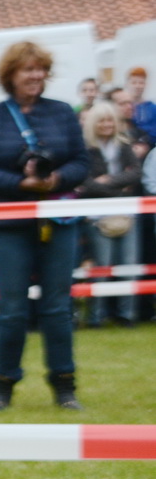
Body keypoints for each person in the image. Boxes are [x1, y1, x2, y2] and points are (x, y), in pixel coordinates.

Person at [0, 41, 88, 411]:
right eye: (27, 69)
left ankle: (64, 387)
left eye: (40, 69)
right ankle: (2, 387)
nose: (35, 76)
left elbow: (83, 162)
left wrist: (57, 179)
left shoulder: (63, 112)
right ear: (11, 75)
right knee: (12, 309)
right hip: (7, 224)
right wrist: (19, 185)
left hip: (58, 220)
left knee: (57, 307)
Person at [78, 101, 143, 327]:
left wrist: (107, 182)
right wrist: (117, 187)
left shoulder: (124, 145)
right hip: (97, 216)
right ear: (94, 123)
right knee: (101, 267)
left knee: (129, 266)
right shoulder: (85, 149)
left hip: (127, 215)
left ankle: (127, 315)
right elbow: (84, 182)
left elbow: (136, 174)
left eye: (110, 120)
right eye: (103, 120)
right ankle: (96, 316)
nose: (107, 124)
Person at [126, 68, 156, 145]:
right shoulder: (124, 107)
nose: (138, 86)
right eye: (134, 83)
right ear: (128, 84)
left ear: (145, 85)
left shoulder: (152, 108)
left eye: (141, 83)